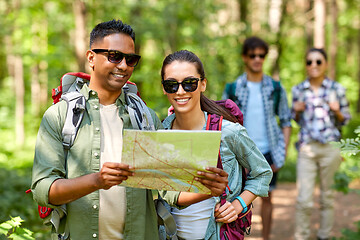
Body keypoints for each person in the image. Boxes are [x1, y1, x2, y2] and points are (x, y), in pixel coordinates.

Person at [159, 50, 273, 240]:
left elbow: (262, 172)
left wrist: (238, 205)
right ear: (164, 88)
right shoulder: (160, 134)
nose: (180, 91)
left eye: (189, 83)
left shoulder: (228, 132)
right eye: (171, 85)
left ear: (203, 84)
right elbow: (165, 193)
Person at [222, 36, 292, 240]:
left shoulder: (276, 88)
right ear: (245, 57)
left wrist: (282, 153)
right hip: (240, 153)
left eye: (261, 55)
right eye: (253, 55)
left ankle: (266, 237)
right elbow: (224, 123)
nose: (257, 59)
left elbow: (286, 121)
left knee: (268, 197)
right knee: (237, 199)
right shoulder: (233, 88)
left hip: (269, 151)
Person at [292, 48, 351, 240]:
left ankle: (324, 236)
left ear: (325, 64)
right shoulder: (298, 90)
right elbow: (295, 120)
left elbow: (346, 120)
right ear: (306, 65)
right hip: (307, 148)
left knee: (328, 197)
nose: (314, 65)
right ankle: (301, 236)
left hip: (330, 149)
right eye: (309, 62)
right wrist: (296, 111)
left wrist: (338, 111)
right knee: (304, 200)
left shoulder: (337, 89)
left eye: (318, 61)